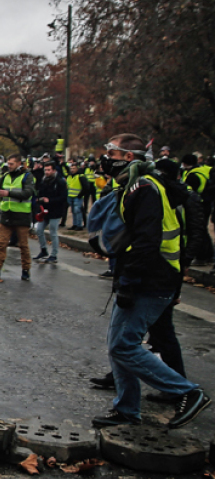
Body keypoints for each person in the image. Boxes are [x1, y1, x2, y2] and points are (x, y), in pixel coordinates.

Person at [92, 133, 209, 429]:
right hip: (146, 275)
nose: (106, 158)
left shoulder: (143, 188)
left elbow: (147, 240)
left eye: (111, 153)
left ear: (128, 158)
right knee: (117, 345)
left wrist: (130, 281)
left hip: (151, 279)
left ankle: (186, 391)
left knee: (124, 346)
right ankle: (127, 408)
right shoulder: (136, 185)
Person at [0, 154, 35, 281]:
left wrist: (9, 193)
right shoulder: (5, 176)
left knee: (23, 245)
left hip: (22, 215)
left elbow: (28, 193)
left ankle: (26, 269)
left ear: (19, 163)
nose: (9, 166)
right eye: (8, 164)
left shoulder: (27, 176)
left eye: (11, 164)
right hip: (6, 215)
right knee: (1, 244)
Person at [181, 154, 213, 265]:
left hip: (198, 204)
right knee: (203, 229)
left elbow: (188, 191)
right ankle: (209, 254)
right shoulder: (203, 170)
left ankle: (201, 256)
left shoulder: (192, 175)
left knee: (198, 231)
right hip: (206, 203)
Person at [33, 163, 68, 264]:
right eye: (46, 170)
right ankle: (43, 250)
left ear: (53, 170)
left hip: (55, 211)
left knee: (53, 232)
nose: (47, 172)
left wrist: (50, 200)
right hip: (44, 210)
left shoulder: (60, 182)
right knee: (39, 230)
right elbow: (39, 193)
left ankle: (54, 255)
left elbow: (63, 197)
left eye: (49, 170)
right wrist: (40, 200)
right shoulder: (44, 181)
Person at [65, 162, 87, 230]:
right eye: (71, 168)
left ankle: (79, 225)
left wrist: (80, 195)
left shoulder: (80, 176)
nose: (72, 170)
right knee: (73, 211)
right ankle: (75, 224)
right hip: (70, 196)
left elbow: (86, 187)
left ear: (77, 169)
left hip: (77, 196)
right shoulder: (69, 176)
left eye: (74, 168)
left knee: (77, 211)